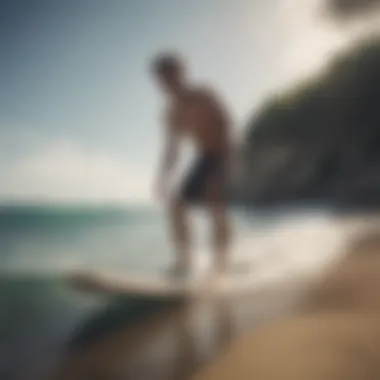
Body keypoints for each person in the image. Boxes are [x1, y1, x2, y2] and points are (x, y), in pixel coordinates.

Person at [151, 52, 233, 282]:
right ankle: (184, 262)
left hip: (224, 152)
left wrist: (229, 160)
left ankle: (221, 264)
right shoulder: (171, 113)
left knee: (215, 203)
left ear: (181, 74)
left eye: (170, 77)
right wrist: (162, 178)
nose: (167, 84)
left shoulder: (203, 94)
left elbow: (226, 122)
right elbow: (172, 149)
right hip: (204, 157)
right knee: (176, 205)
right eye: (162, 80)